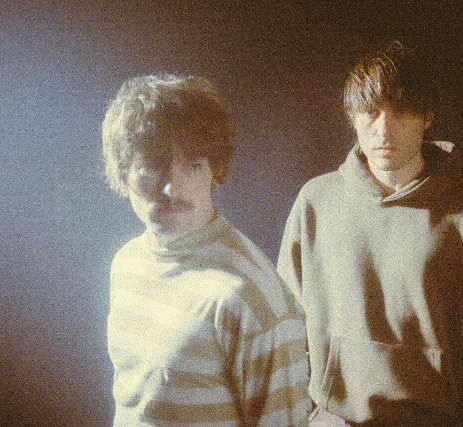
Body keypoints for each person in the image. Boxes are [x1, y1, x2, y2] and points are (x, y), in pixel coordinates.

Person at [277, 41, 463, 426]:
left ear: (427, 117)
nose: (384, 130)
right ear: (352, 117)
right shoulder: (316, 201)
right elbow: (284, 322)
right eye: (371, 112)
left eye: (402, 111)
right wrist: (307, 413)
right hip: (332, 419)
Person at [102, 74, 311, 426]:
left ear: (215, 172)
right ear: (123, 174)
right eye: (153, 166)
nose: (171, 188)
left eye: (192, 166)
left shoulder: (252, 299)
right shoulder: (127, 263)